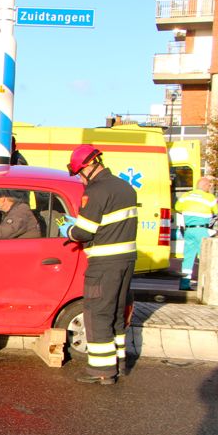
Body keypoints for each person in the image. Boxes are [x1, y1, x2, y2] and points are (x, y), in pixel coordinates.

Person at [60, 144, 137, 384]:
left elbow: (84, 232)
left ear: (87, 168)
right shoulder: (125, 187)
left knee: (97, 313)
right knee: (115, 313)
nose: (80, 180)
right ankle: (119, 363)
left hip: (104, 263)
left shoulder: (95, 191)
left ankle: (102, 371)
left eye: (79, 174)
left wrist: (68, 229)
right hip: (126, 261)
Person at [174, 176, 218, 290]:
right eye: (209, 185)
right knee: (205, 258)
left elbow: (177, 207)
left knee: (188, 258)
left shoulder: (186, 196)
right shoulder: (210, 197)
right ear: (204, 185)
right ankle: (204, 286)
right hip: (202, 230)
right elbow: (216, 211)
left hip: (188, 230)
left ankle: (184, 284)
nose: (210, 187)